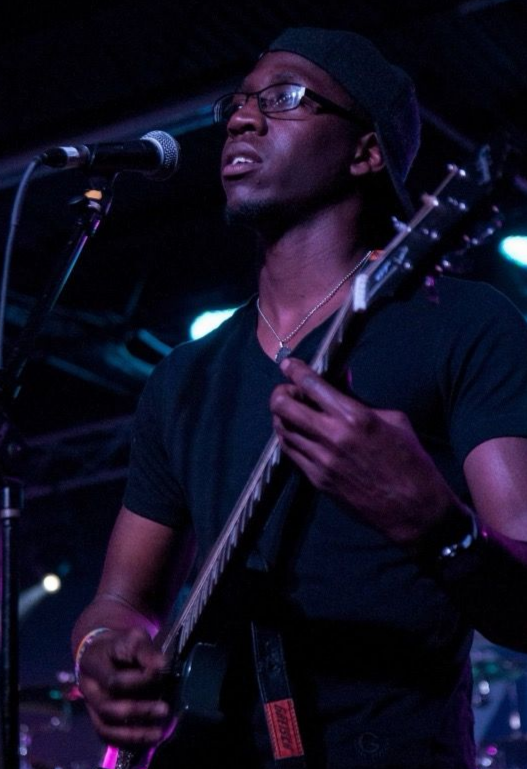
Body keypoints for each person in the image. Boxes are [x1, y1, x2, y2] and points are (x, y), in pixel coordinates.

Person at [72, 27, 527, 769]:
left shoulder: (467, 325)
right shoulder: (183, 378)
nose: (241, 119)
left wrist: (435, 523)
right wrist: (101, 650)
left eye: (283, 98)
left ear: (365, 151)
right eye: (238, 103)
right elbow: (121, 600)